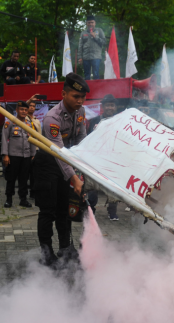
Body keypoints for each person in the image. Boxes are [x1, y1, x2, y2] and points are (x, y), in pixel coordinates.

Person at [33, 73, 88, 267]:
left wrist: (82, 170)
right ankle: (46, 254)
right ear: (64, 94)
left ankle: (66, 248)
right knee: (48, 211)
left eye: (83, 97)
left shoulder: (80, 113)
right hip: (48, 163)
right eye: (75, 96)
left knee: (65, 209)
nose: (80, 101)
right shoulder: (52, 118)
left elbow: (82, 141)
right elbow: (58, 153)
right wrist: (74, 178)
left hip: (67, 161)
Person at [87, 94, 119, 220]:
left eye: (112, 105)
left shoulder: (120, 121)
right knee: (93, 186)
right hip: (97, 159)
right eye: (107, 105)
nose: (110, 108)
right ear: (103, 107)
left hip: (114, 159)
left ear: (116, 107)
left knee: (113, 187)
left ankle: (112, 212)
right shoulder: (94, 121)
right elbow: (88, 139)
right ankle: (91, 210)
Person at [1, 101, 36, 208]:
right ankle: (9, 199)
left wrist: (33, 153)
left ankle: (23, 199)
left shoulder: (29, 124)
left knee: (24, 178)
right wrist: (5, 155)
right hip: (13, 156)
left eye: (26, 110)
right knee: (11, 178)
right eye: (21, 109)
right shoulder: (10, 122)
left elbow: (32, 139)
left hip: (26, 156)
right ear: (16, 110)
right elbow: (4, 138)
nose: (24, 111)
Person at [78, 15, 106, 80]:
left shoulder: (99, 31)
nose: (90, 24)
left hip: (96, 57)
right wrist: (80, 57)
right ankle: (88, 90)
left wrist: (95, 37)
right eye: (89, 22)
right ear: (86, 23)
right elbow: (80, 46)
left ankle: (97, 89)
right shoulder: (83, 33)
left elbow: (104, 42)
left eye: (92, 22)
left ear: (95, 23)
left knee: (96, 74)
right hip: (86, 57)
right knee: (86, 75)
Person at [26, 99, 41, 198]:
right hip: (26, 148)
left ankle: (34, 191)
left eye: (33, 106)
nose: (32, 107)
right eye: (30, 105)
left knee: (35, 172)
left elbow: (40, 134)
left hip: (36, 148)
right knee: (27, 172)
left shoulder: (37, 120)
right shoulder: (24, 119)